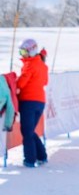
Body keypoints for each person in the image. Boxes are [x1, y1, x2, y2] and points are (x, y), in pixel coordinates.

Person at [15, 38, 48, 168]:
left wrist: (15, 81)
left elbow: (21, 83)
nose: (22, 55)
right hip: (40, 102)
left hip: (28, 101)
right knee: (30, 130)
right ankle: (42, 156)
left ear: (31, 50)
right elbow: (45, 81)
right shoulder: (41, 64)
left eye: (23, 51)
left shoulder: (30, 64)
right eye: (20, 51)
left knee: (27, 132)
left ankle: (30, 159)